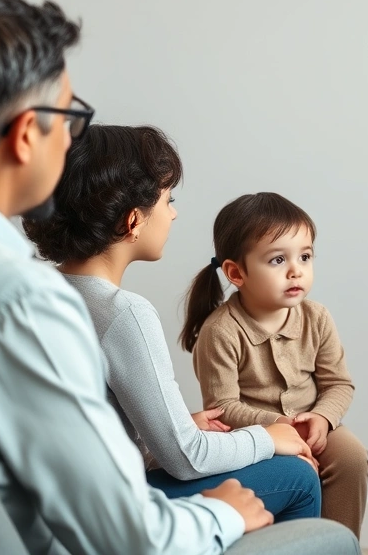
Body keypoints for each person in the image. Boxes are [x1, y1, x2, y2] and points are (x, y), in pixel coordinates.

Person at [0, 0, 358, 554]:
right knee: (318, 523)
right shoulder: (21, 304)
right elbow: (131, 538)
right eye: (69, 117)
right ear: (27, 134)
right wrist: (217, 516)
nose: (71, 141)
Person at [22, 124, 321, 521]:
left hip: (61, 501)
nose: (174, 213)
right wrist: (266, 438)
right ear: (133, 221)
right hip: (113, 507)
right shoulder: (123, 313)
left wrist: (171, 430)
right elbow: (187, 459)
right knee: (298, 477)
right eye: (167, 200)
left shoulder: (39, 289)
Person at [180, 192, 368, 537]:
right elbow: (222, 407)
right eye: (278, 260)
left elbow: (339, 384)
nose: (296, 270)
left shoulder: (317, 318)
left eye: (306, 256)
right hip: (256, 437)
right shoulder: (221, 331)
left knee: (352, 457)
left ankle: (341, 544)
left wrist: (322, 417)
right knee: (296, 472)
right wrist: (280, 425)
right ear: (236, 273)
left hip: (315, 424)